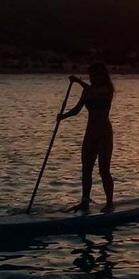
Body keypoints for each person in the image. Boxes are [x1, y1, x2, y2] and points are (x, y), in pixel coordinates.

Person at [58, 62, 115, 213]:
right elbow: (77, 110)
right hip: (90, 133)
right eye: (90, 75)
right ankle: (85, 200)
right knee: (86, 169)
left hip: (104, 133)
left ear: (101, 75)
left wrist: (78, 81)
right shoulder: (87, 91)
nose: (92, 78)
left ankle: (109, 203)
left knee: (104, 169)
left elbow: (96, 92)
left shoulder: (107, 89)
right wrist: (63, 117)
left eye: (94, 75)